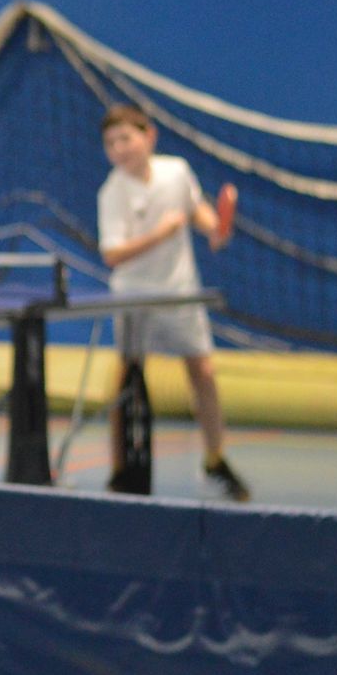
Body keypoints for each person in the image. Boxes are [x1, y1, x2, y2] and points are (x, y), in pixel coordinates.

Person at [96, 104, 250, 501]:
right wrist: (160, 235)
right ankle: (120, 470)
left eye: (126, 138)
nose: (119, 148)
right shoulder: (112, 193)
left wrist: (213, 228)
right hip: (134, 296)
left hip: (181, 292)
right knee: (127, 380)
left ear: (149, 136)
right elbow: (112, 254)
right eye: (111, 143)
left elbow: (195, 209)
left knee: (204, 371)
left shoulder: (177, 171)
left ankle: (215, 459)